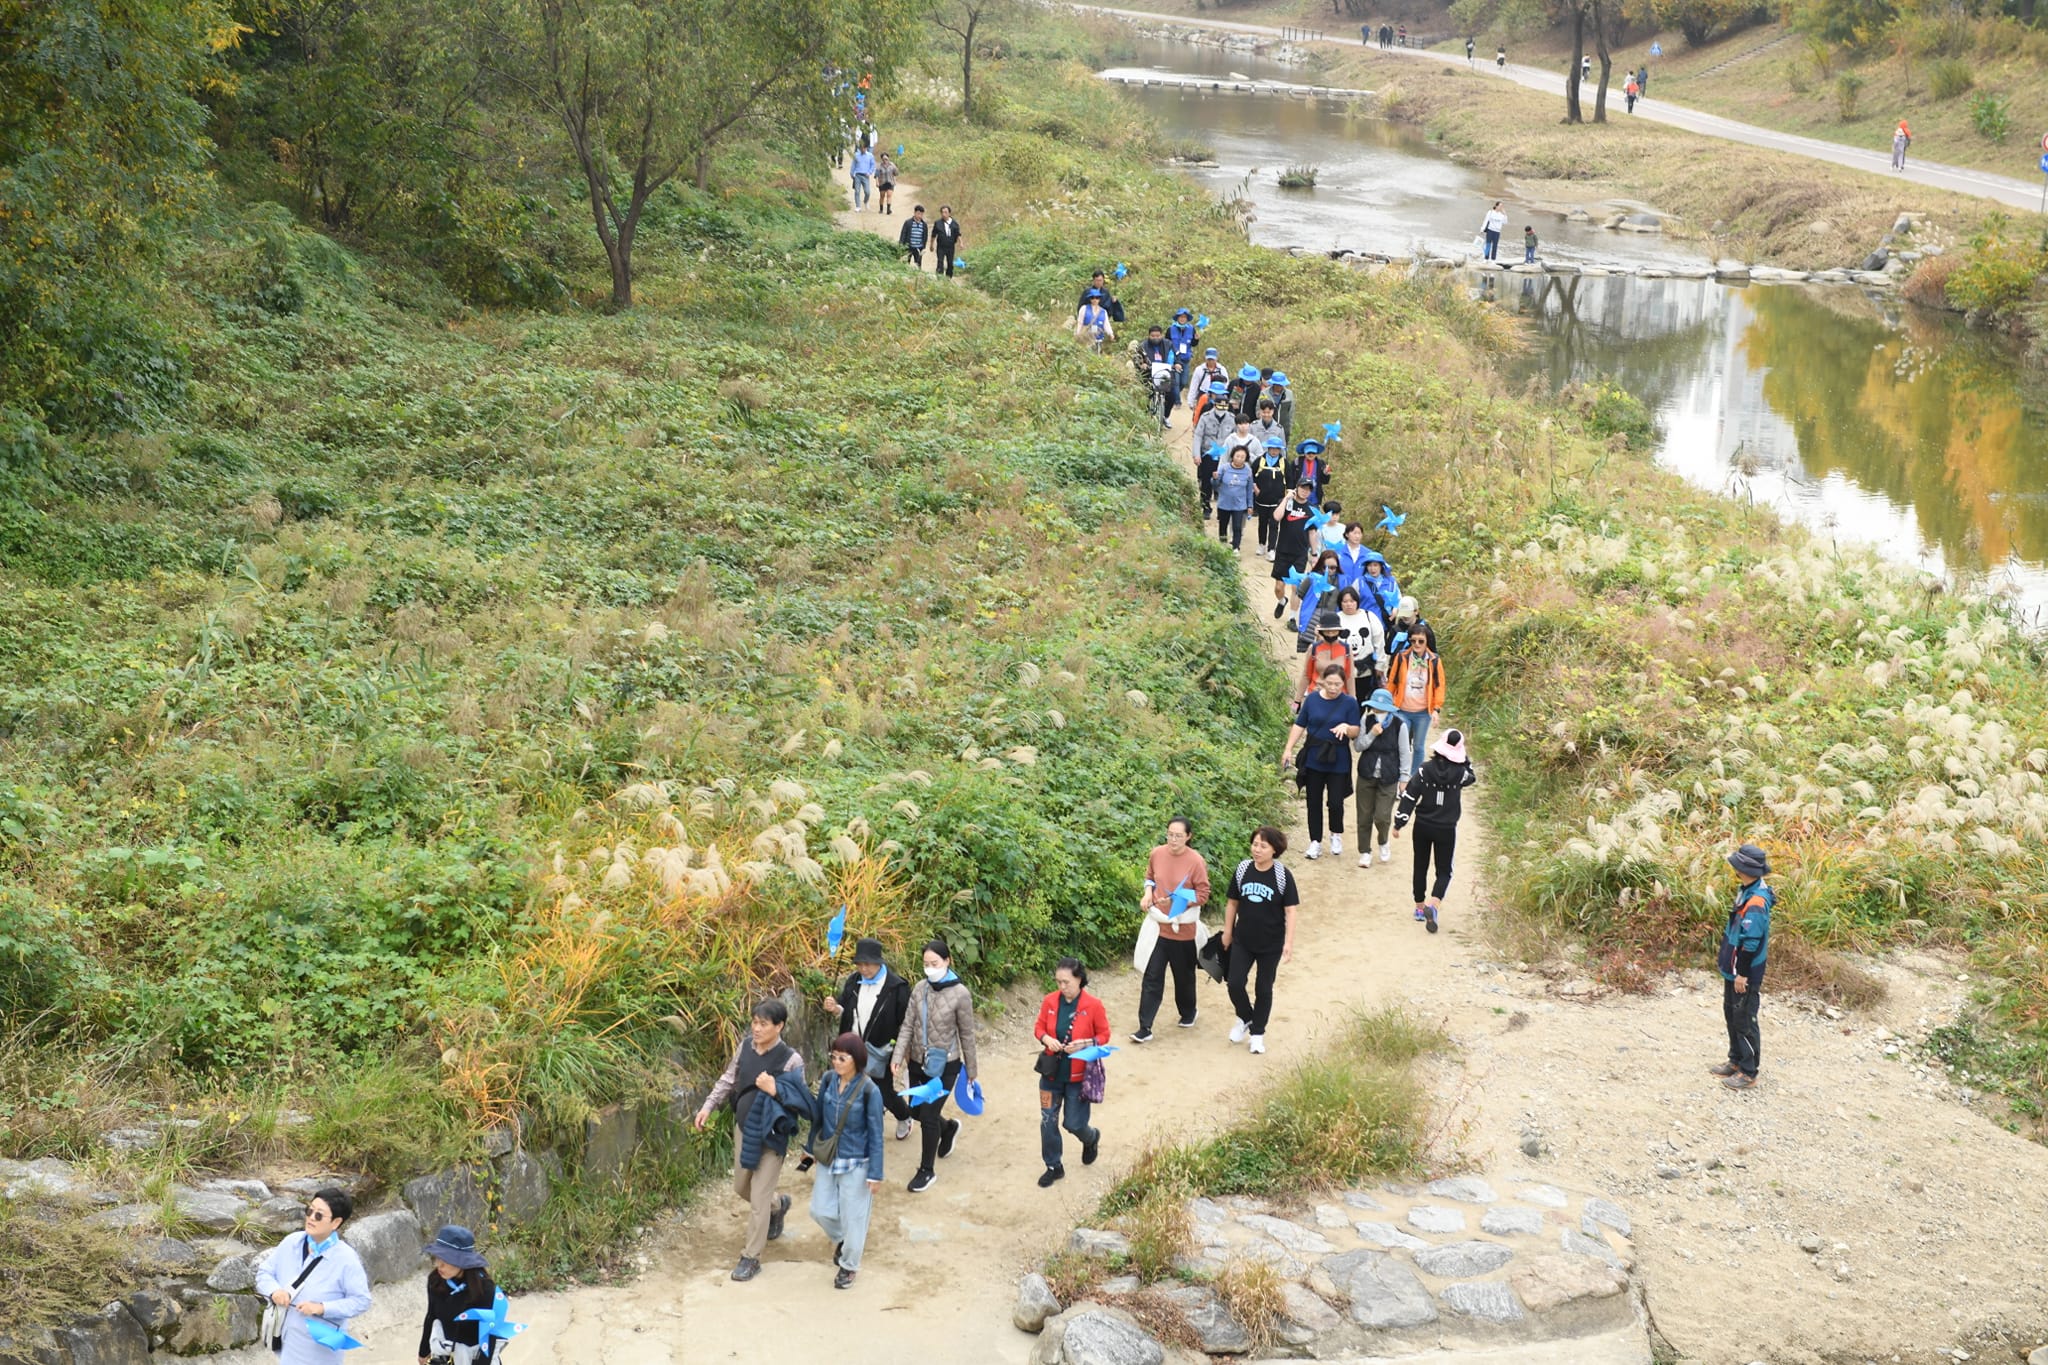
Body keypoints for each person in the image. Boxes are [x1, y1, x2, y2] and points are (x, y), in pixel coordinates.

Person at [695, 999, 809, 1280]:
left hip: (772, 1136)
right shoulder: (746, 1046)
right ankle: (778, 1205)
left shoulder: (791, 1060)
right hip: (745, 1128)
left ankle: (751, 1257)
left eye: (763, 1024)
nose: (756, 1028)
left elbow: (801, 1102)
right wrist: (708, 1106)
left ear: (779, 1026)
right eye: (754, 1022)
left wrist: (775, 1090)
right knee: (741, 1186)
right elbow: (729, 1079)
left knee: (758, 1199)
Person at [802, 1032, 886, 1288]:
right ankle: (844, 1239)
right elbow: (818, 1118)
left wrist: (875, 1173)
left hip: (857, 1162)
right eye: (834, 1056)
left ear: (856, 1060)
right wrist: (810, 1149)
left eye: (842, 1058)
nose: (836, 1062)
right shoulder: (829, 1080)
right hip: (829, 1157)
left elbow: (876, 1134)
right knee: (819, 1210)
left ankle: (849, 1266)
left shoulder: (870, 1091)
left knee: (855, 1218)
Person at [255, 1187, 372, 1365]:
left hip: (320, 1350)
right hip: (287, 1340)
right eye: (309, 1211)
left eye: (319, 1215)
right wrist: (274, 1291)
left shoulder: (346, 1259)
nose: (311, 1218)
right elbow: (264, 1273)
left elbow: (361, 1301)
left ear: (336, 1222)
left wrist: (322, 1308)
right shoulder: (291, 1242)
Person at [897, 940, 978, 1194]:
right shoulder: (920, 988)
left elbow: (967, 1035)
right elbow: (907, 1025)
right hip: (918, 1062)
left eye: (934, 963)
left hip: (946, 1066)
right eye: (926, 964)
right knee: (916, 1111)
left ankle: (926, 1170)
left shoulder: (961, 994)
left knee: (929, 1116)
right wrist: (897, 1057)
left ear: (947, 961)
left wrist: (972, 1072)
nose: (929, 968)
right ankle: (949, 1128)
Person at [821, 937, 914, 1141]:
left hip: (881, 1049)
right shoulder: (854, 981)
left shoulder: (896, 987)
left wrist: (902, 1054)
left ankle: (904, 1116)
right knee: (850, 1086)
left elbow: (906, 1023)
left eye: (868, 964)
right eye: (859, 964)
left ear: (879, 962)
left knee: (883, 1091)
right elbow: (845, 1008)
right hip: (853, 1047)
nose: (863, 969)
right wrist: (835, 1008)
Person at [1133, 818, 1212, 1042]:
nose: (1173, 839)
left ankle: (1188, 1012)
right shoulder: (1157, 853)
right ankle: (1145, 1027)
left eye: (1178, 835)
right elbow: (1150, 878)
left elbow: (1203, 894)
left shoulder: (1196, 861)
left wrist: (1178, 900)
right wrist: (1148, 894)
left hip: (1183, 928)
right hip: (1158, 926)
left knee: (1183, 977)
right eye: (1170, 834)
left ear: (1188, 837)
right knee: (1152, 976)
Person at [1222, 826, 1297, 1054]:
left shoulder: (1282, 876)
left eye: (1263, 846)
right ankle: (1245, 1017)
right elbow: (1232, 903)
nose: (1257, 849)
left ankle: (1257, 1034)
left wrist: (1288, 942)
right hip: (1243, 939)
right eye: (1255, 844)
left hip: (1271, 943)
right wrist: (1227, 932)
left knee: (1263, 988)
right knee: (1234, 983)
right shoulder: (1243, 869)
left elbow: (1291, 911)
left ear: (1275, 849)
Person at [1034, 958, 1109, 1185]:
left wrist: (1086, 1043)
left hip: (1078, 1077)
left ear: (1079, 979)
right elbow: (1039, 1027)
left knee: (1074, 1124)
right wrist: (1046, 1038)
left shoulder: (1093, 1005)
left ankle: (1091, 1137)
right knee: (1047, 1120)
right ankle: (1053, 1165)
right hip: (1050, 1074)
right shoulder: (1050, 1001)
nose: (1062, 986)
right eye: (1058, 982)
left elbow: (1104, 1035)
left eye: (1066, 982)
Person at [1392, 729, 1475, 933]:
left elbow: (1410, 796)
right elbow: (1471, 776)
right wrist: (1462, 757)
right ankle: (1434, 904)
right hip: (1446, 828)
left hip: (1423, 825)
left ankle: (1420, 908)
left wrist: (1399, 822)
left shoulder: (1424, 770)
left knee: (1420, 865)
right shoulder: (1461, 774)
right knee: (1444, 871)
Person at [1284, 664, 1361, 861]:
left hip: (1338, 757)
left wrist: (1347, 727)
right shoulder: (1312, 700)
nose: (1333, 688)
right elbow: (1300, 724)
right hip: (1314, 756)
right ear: (1322, 681)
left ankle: (1336, 833)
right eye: (1330, 683)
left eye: (1338, 684)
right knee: (1313, 801)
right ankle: (1315, 841)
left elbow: (1356, 731)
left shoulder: (1350, 703)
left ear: (1344, 684)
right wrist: (1288, 748)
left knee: (1335, 801)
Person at [1712, 844, 1774, 1091]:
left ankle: (1748, 1072)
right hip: (1733, 968)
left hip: (1744, 972)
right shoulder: (1746, 890)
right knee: (1732, 1014)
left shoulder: (1756, 900)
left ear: (1744, 870)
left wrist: (1743, 974)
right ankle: (1735, 1060)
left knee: (1744, 1019)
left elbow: (1751, 942)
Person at [418, 1225, 499, 1365]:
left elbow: (490, 1334)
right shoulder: (435, 1281)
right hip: (445, 1353)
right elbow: (432, 1315)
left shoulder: (484, 1289)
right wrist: (423, 1351)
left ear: (464, 1261)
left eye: (446, 1259)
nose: (439, 1264)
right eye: (438, 1257)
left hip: (476, 1356)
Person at [1353, 687, 1409, 868]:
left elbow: (1405, 752)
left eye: (1381, 707)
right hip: (1366, 773)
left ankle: (1383, 841)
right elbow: (1358, 746)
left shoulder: (1399, 724)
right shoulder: (1366, 719)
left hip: (1389, 775)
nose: (1377, 709)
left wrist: (1404, 778)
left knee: (1382, 816)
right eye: (1375, 706)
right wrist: (1372, 734)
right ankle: (1365, 851)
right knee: (1364, 816)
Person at [1384, 620, 1444, 777]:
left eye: (1421, 641)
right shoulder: (1401, 657)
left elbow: (1439, 686)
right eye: (1413, 640)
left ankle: (1413, 777)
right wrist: (1387, 705)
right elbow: (1392, 682)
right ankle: (1398, 774)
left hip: (1423, 712)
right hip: (1402, 709)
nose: (1417, 644)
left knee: (1418, 746)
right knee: (1401, 744)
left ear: (1427, 641)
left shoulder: (1434, 660)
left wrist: (1436, 709)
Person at [1269, 481, 1315, 618]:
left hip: (1300, 553)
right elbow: (1276, 517)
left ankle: (1292, 618)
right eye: (1303, 488)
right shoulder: (1287, 503)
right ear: (1297, 488)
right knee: (1279, 587)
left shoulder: (1312, 509)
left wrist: (1314, 553)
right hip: (1283, 551)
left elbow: (1312, 533)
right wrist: (1286, 498)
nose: (1305, 491)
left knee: (1296, 587)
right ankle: (1282, 601)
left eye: (1308, 489)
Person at [1336, 584, 1387, 698]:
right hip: (1341, 671)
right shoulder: (1336, 619)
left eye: (1352, 601)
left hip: (1366, 670)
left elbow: (1379, 642)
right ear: (1340, 603)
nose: (1349, 604)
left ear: (1357, 601)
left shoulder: (1369, 617)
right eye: (1345, 601)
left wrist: (1380, 665)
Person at [1251, 439, 1290, 560]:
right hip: (1262, 499)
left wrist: (1288, 496)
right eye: (1272, 448)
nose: (1274, 451)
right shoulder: (1259, 461)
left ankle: (1271, 549)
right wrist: (1255, 487)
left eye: (1277, 449)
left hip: (1277, 501)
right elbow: (1251, 475)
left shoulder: (1284, 463)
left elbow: (1290, 479)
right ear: (1268, 448)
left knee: (1274, 525)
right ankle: (1261, 544)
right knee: (1262, 523)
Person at [1214, 447, 1253, 549]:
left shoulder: (1248, 471)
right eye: (1237, 456)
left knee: (1237, 527)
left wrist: (1250, 505)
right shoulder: (1224, 468)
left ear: (1246, 458)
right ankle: (1222, 546)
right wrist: (1214, 478)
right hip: (1224, 503)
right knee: (1223, 525)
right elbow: (1215, 485)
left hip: (1239, 504)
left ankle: (1236, 547)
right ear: (1232, 456)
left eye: (1242, 457)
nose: (1239, 459)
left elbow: (1249, 490)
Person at [1166, 308, 1200, 393]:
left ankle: (1174, 395)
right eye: (1180, 317)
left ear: (1187, 318)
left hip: (1185, 359)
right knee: (1176, 382)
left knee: (1183, 382)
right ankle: (1175, 398)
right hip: (1174, 359)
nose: (1182, 319)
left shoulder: (1191, 329)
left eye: (1184, 317)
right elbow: (1166, 343)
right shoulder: (1170, 329)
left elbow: (1193, 344)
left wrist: (1196, 339)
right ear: (1177, 318)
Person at [932, 205, 962, 276]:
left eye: (945, 212)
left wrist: (961, 243)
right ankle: (939, 277)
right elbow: (934, 234)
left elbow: (958, 234)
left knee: (950, 263)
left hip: (950, 247)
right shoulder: (938, 223)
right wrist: (931, 244)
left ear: (949, 213)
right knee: (940, 262)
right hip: (941, 246)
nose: (944, 214)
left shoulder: (954, 223)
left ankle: (948, 278)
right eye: (942, 212)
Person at [1266, 372, 1294, 441]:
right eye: (1277, 385)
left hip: (1284, 429)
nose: (1279, 387)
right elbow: (1258, 410)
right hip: (1267, 429)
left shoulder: (1289, 394)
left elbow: (1291, 412)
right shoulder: (1264, 393)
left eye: (1281, 385)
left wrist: (1290, 428)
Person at [849, 144, 875, 212]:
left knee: (867, 192)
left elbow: (872, 165)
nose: (862, 149)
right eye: (861, 148)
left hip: (866, 175)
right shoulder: (856, 155)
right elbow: (853, 164)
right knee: (857, 191)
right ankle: (858, 206)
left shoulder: (870, 155)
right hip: (857, 175)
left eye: (863, 148)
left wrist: (869, 172)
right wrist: (851, 173)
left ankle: (866, 201)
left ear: (866, 148)